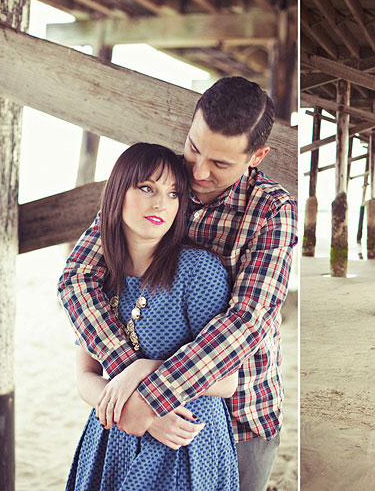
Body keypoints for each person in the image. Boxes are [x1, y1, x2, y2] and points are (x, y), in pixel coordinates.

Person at [58, 77, 298, 491]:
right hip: (131, 407)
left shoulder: (272, 211)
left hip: (239, 414)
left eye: (220, 163)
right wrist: (128, 375)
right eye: (193, 147)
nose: (198, 171)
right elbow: (77, 278)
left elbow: (246, 322)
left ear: (257, 156)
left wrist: (150, 396)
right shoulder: (162, 181)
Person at [67, 143, 239, 490]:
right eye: (147, 188)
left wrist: (144, 368)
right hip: (114, 433)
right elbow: (85, 376)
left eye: (173, 193)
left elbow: (227, 381)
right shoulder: (98, 278)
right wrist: (136, 415)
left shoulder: (198, 270)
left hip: (185, 439)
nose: (161, 202)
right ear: (118, 193)